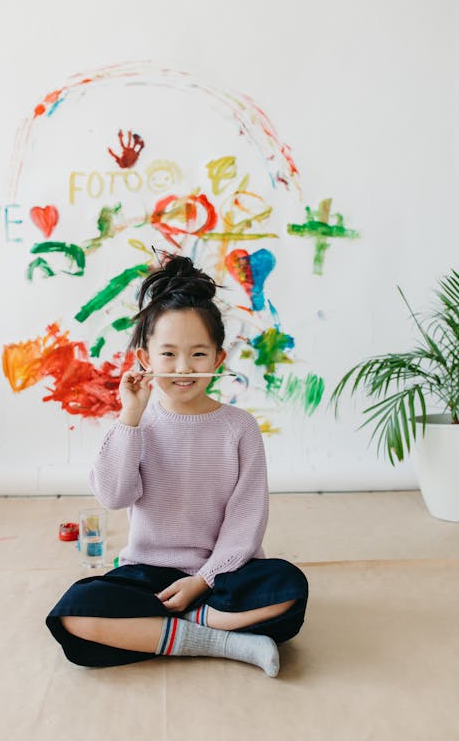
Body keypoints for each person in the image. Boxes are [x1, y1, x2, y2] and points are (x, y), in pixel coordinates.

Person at [46, 252, 308, 677]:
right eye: (168, 354)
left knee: (289, 588)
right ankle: (220, 640)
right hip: (149, 577)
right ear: (145, 359)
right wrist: (129, 417)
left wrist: (202, 582)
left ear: (219, 360)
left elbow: (246, 522)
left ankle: (172, 630)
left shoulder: (240, 428)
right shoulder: (136, 424)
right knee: (72, 615)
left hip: (222, 577)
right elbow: (113, 495)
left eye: (198, 354)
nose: (183, 368)